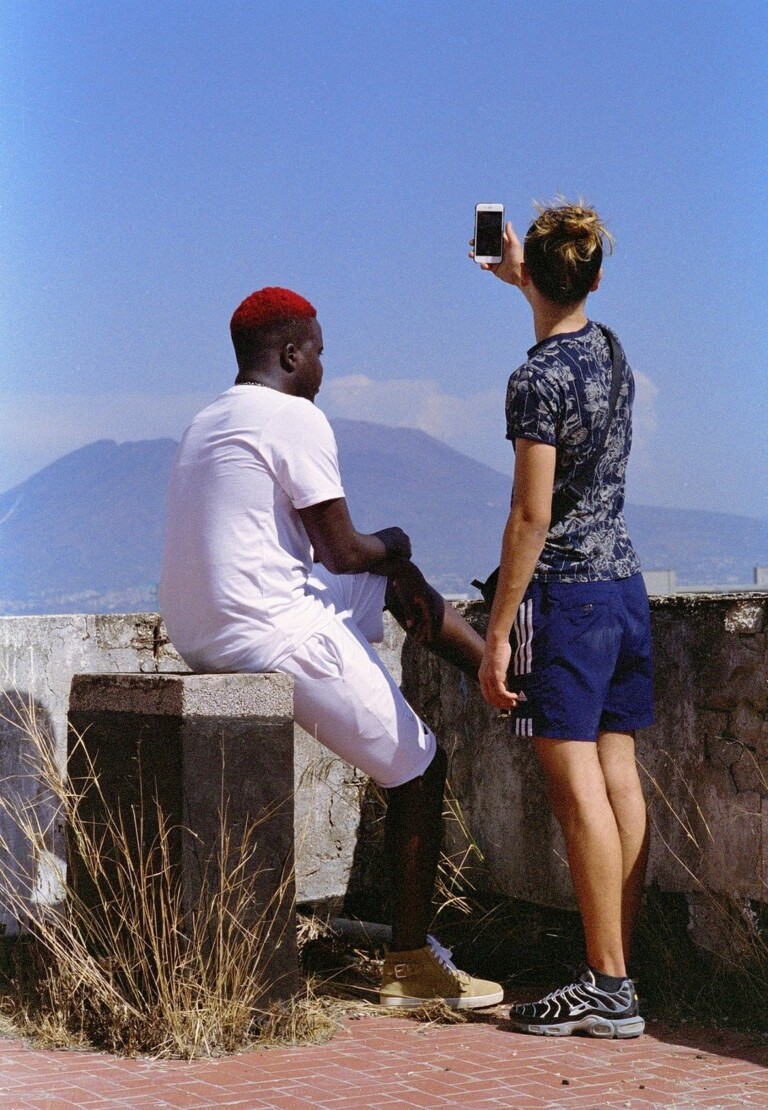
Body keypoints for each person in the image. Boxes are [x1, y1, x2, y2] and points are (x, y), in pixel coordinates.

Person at [159, 286, 503, 1011]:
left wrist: (390, 562)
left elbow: (340, 567)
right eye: (318, 351)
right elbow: (344, 551)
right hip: (270, 629)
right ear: (290, 353)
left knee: (392, 581)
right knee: (419, 767)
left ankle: (496, 672)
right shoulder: (294, 416)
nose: (324, 365)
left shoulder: (206, 419)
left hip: (201, 629)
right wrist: (397, 540)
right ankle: (412, 966)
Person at [472, 202, 653, 1038]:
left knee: (575, 787)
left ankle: (606, 983)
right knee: (619, 776)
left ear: (539, 276)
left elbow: (529, 515)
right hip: (624, 589)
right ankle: (620, 967)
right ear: (595, 279)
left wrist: (499, 630)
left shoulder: (535, 379)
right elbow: (564, 314)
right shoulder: (610, 352)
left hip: (570, 599)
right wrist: (524, 277)